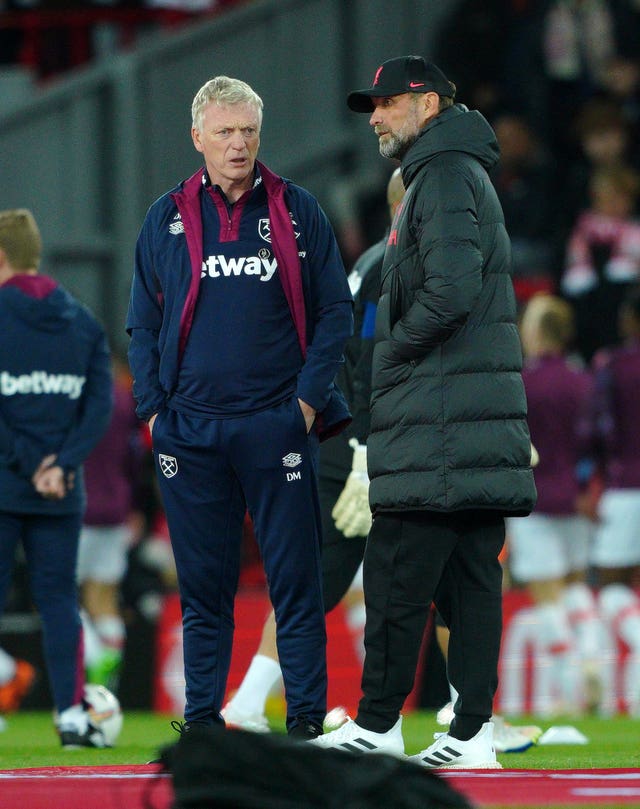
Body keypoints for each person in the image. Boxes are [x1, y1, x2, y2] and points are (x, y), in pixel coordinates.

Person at [312, 56, 537, 769]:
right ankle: (471, 733)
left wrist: (387, 356)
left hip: (436, 417)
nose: (373, 116)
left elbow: (447, 294)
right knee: (471, 580)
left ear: (429, 104)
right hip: (468, 415)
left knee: (398, 573)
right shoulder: (462, 168)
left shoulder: (437, 175)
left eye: (384, 103)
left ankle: (378, 723)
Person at [126, 76, 353, 739]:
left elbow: (336, 308)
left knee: (296, 584)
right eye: (225, 131)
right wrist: (153, 412)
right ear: (197, 136)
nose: (238, 144)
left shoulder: (297, 209)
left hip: (276, 425)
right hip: (188, 431)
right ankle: (201, 724)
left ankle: (306, 721)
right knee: (203, 588)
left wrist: (307, 403)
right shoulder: (164, 217)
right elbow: (142, 322)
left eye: (249, 131)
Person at [221, 167, 406, 732]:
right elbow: (369, 361)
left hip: (346, 437)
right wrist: (365, 451)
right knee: (330, 577)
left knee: (427, 572)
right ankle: (250, 703)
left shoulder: (372, 263)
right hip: (360, 445)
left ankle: (468, 709)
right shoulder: (391, 267)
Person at [0, 208, 113, 747]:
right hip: (61, 491)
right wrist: (62, 463)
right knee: (58, 601)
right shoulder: (83, 321)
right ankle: (71, 716)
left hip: (4, 483)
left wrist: (27, 463)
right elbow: (99, 406)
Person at [507, 294, 604, 715]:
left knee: (547, 595)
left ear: (537, 331)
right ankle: (591, 656)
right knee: (576, 586)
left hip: (533, 499)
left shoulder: (522, 383)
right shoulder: (585, 381)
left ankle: (572, 683)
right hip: (578, 500)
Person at [77, 352, 146, 695]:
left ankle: (94, 659)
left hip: (78, 510)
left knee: (59, 596)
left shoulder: (75, 396)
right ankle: (110, 681)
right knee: (104, 597)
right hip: (116, 510)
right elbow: (136, 455)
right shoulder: (125, 401)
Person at [587, 284, 640, 717]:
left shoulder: (612, 365)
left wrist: (590, 482)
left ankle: (606, 697)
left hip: (623, 487)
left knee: (609, 590)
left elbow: (597, 430)